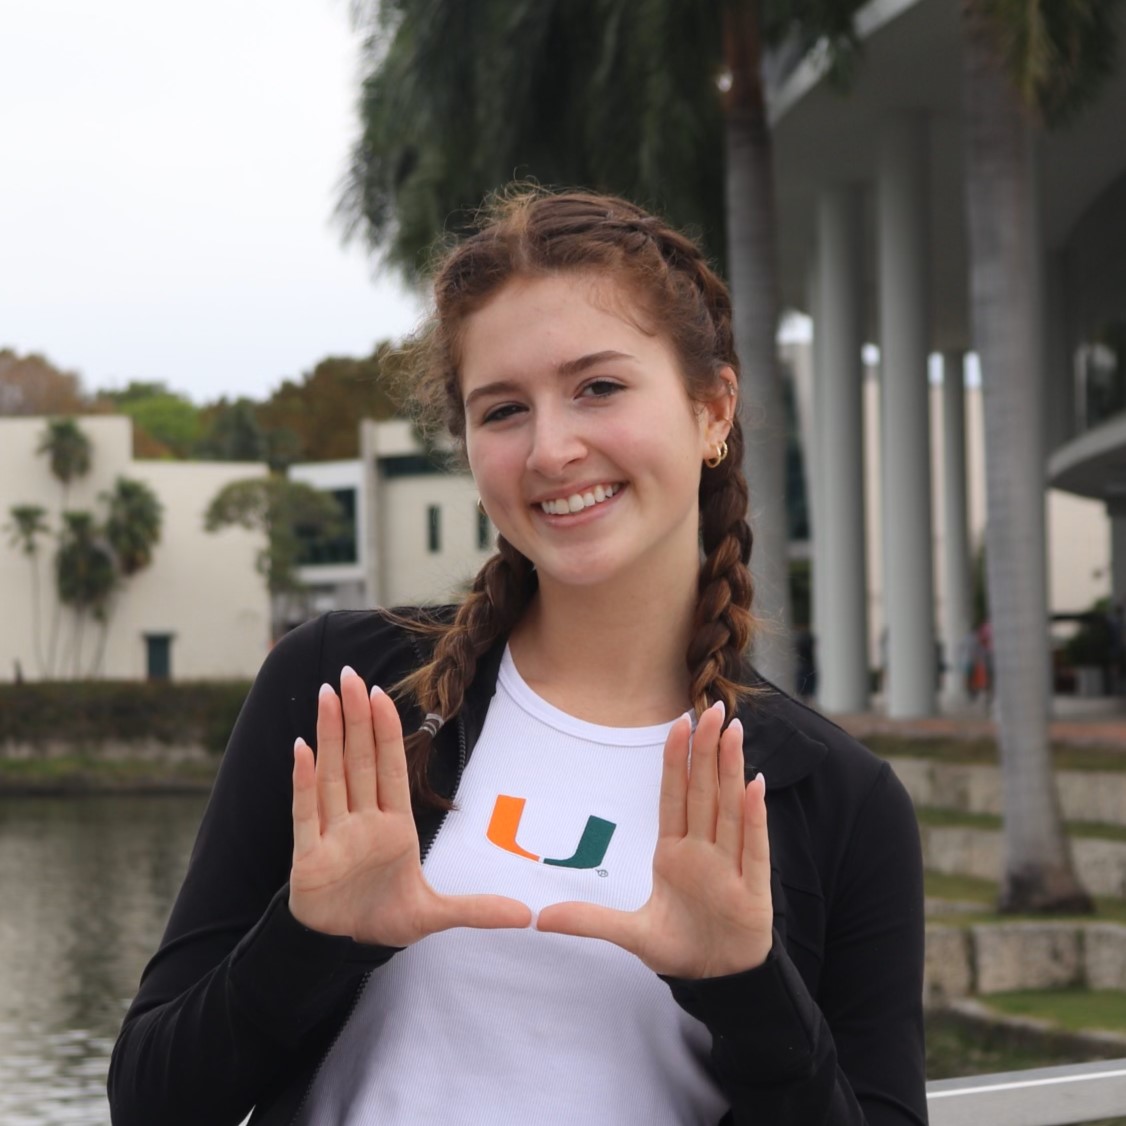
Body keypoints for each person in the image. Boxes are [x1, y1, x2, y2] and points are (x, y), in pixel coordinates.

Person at [108, 188, 927, 1125]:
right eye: (502, 410)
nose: (551, 449)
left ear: (713, 410)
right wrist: (309, 936)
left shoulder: (837, 799)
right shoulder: (347, 689)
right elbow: (151, 1099)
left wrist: (746, 985)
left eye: (600, 388)